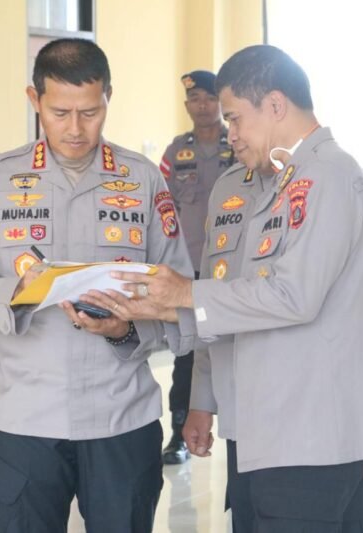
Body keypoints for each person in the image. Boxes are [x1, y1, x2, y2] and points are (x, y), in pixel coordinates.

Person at [84, 44, 363, 532]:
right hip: (268, 429)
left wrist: (184, 295)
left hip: (310, 436)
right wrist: (156, 317)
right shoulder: (270, 183)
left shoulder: (330, 178)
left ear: (275, 105)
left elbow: (309, 300)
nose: (229, 133)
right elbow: (235, 299)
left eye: (234, 119)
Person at [0, 38, 193, 532]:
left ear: (108, 99)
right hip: (26, 419)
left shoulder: (143, 179)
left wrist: (126, 330)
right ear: (34, 100)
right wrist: (19, 295)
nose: (76, 129)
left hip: (121, 416)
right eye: (60, 113)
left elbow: (180, 296)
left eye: (90, 112)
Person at [158, 70, 234, 464]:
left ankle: (242, 428)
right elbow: (162, 210)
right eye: (194, 99)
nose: (202, 106)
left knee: (240, 349)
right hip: (188, 271)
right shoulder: (175, 153)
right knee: (187, 353)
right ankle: (179, 432)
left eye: (209, 98)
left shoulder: (238, 144)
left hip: (233, 271)